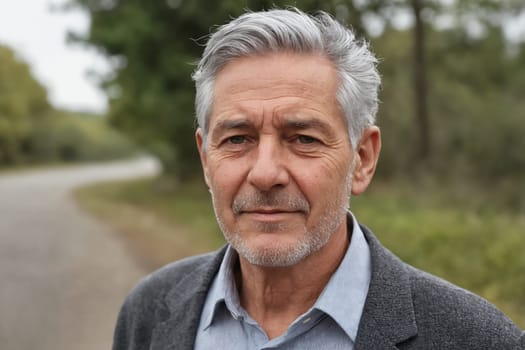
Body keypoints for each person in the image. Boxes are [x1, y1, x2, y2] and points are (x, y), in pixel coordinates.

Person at [112, 8, 524, 350]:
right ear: (205, 158)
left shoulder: (477, 339)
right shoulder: (149, 312)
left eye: (303, 139)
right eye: (237, 139)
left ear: (362, 159)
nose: (266, 173)